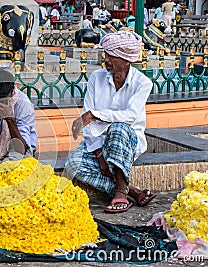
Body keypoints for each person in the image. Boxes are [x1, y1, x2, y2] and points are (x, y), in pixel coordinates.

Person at [64, 31, 157, 213]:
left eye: (111, 56)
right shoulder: (96, 78)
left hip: (127, 141)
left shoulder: (143, 83)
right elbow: (88, 124)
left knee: (118, 129)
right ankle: (132, 191)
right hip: (98, 143)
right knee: (73, 165)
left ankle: (121, 191)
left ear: (127, 60)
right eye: (106, 55)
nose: (106, 60)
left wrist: (94, 115)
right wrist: (99, 156)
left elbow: (130, 116)